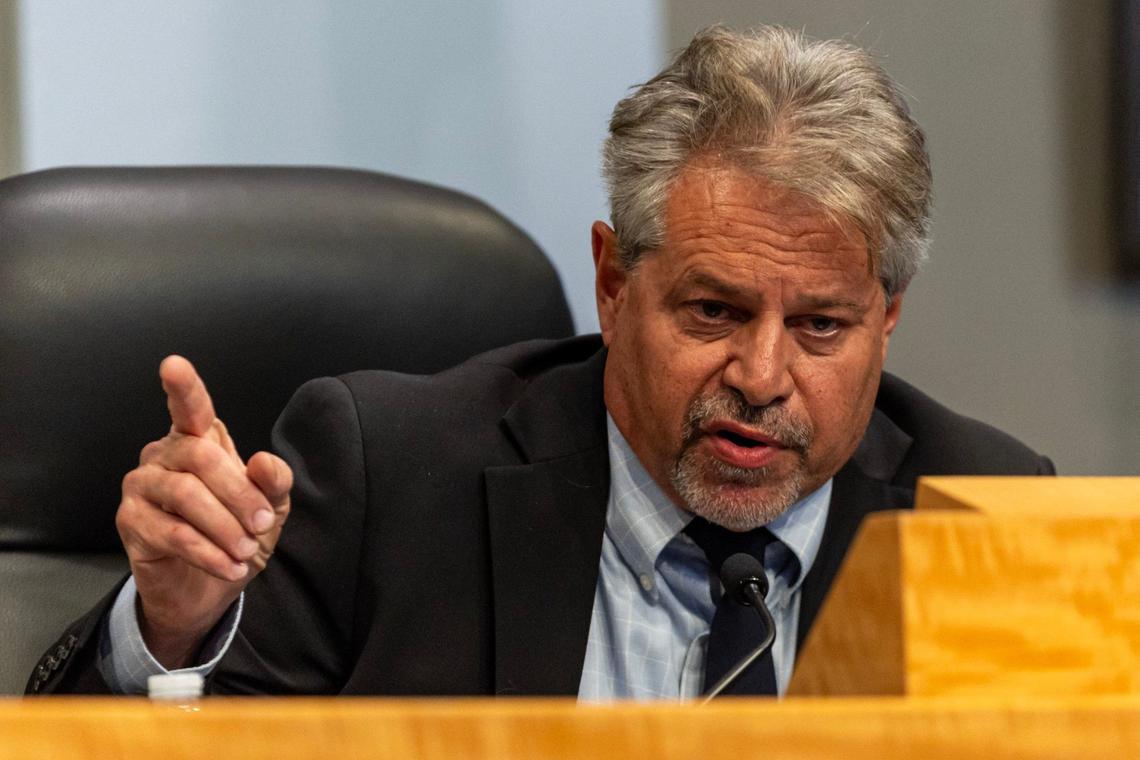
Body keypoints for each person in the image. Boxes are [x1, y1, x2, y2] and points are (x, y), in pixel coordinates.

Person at [29, 25, 1052, 700]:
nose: (762, 374)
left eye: (822, 326)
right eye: (714, 310)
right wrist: (171, 627)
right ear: (613, 282)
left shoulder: (989, 516)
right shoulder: (389, 476)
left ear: (887, 319)